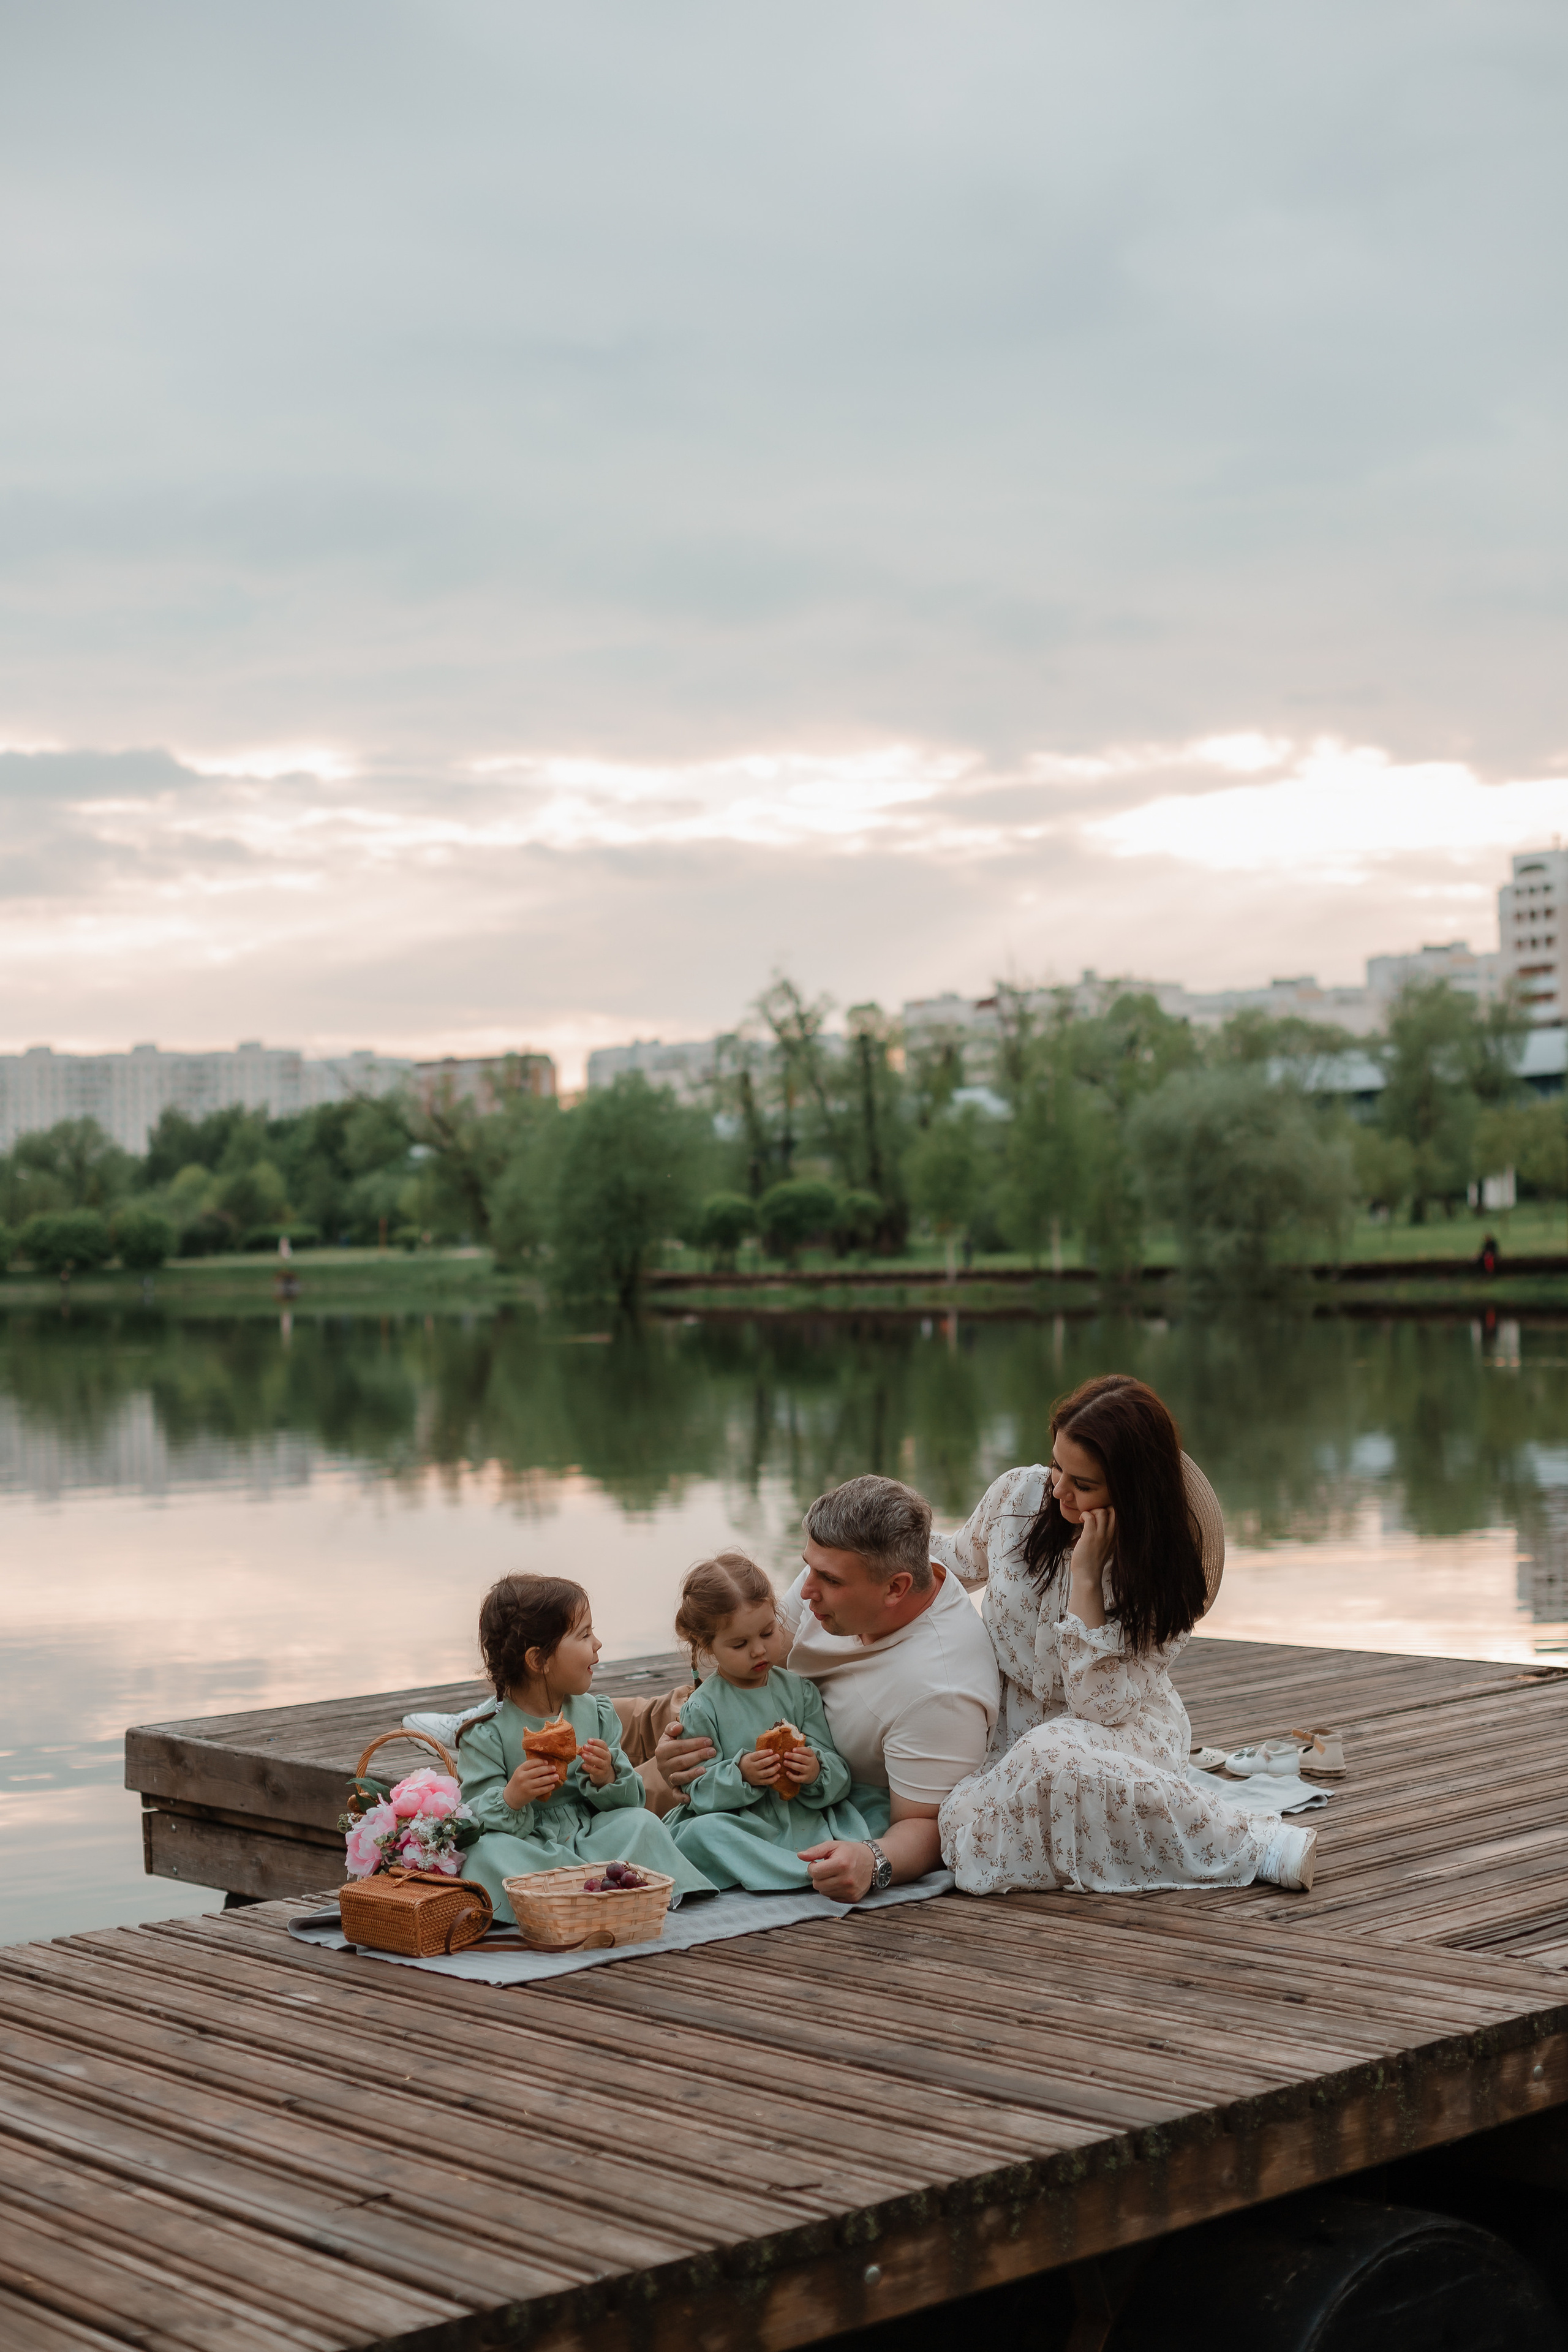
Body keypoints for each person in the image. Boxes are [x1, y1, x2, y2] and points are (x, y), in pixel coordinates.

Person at [932, 1374, 1317, 1896]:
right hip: (1006, 1725)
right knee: (961, 1818)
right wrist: (871, 1547)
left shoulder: (1166, 1573)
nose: (1059, 1490)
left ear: (1132, 1489)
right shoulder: (1017, 1495)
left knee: (1053, 1754)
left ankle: (1260, 1846)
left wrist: (1088, 1577)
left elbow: (1100, 1707)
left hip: (1119, 1728)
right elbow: (952, 1563)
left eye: (1083, 1484)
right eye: (1056, 1466)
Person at [653, 1476, 1001, 1904]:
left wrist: (873, 1860)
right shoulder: (837, 1575)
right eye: (809, 1566)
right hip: (722, 1718)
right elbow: (749, 1660)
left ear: (896, 1588)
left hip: (803, 1798)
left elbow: (928, 1824)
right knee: (598, 1744)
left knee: (628, 1812)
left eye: (829, 1580)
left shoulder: (939, 1692)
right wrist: (675, 1753)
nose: (804, 1591)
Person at [457, 1573, 715, 1923]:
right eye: (584, 1635)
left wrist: (607, 1777)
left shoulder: (596, 1712)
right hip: (530, 1846)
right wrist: (512, 1797)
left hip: (592, 1837)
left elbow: (630, 1802)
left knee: (641, 1823)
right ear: (539, 1660)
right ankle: (600, 1895)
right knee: (483, 1852)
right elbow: (472, 1816)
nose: (598, 1644)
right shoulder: (486, 1732)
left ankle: (572, 1898)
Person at [664, 1551, 883, 1891]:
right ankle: (809, 1870)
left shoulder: (801, 1692)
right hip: (746, 1823)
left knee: (876, 1805)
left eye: (767, 1633)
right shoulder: (703, 1707)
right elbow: (697, 1790)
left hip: (804, 1814)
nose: (759, 1651)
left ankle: (804, 1865)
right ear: (708, 1648)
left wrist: (814, 1771)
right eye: (739, 1644)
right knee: (702, 1834)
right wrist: (741, 1774)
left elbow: (838, 1771)